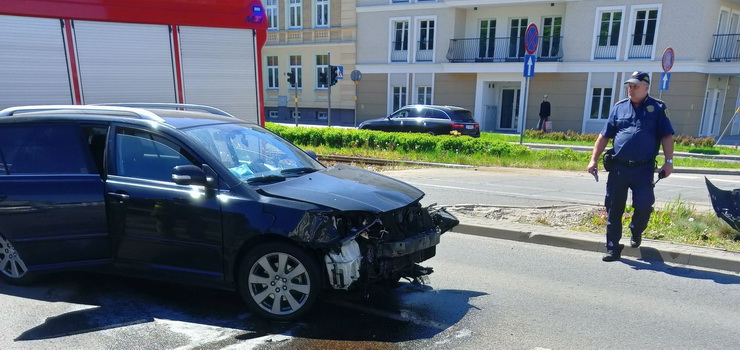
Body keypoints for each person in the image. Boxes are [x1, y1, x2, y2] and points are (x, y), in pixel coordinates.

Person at [587, 71, 675, 262]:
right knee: (613, 208)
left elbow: (667, 136)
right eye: (629, 85)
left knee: (644, 205)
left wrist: (668, 162)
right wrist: (593, 159)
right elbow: (604, 136)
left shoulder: (657, 108)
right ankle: (612, 248)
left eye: (635, 86)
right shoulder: (619, 108)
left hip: (643, 169)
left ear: (646, 87)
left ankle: (636, 230)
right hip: (619, 168)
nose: (631, 89)